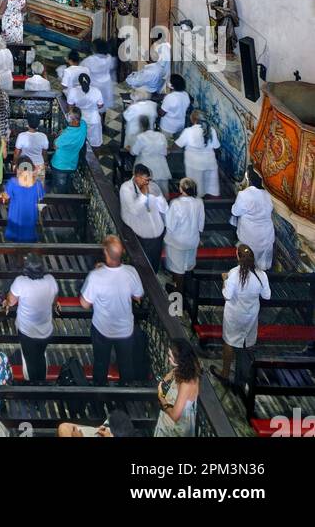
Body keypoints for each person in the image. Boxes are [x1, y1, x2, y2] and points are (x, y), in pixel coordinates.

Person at [79, 235, 144, 385]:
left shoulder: (96, 276)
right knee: (126, 363)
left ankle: (100, 392)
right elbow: (138, 296)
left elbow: (85, 303)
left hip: (102, 329)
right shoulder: (131, 272)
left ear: (106, 253)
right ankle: (126, 392)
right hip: (125, 330)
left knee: (101, 363)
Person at [220, 244, 271, 382]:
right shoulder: (261, 275)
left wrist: (224, 280)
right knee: (248, 343)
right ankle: (245, 374)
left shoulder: (233, 274)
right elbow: (267, 296)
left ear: (237, 256)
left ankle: (225, 373)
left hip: (234, 316)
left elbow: (227, 296)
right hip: (251, 316)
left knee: (229, 342)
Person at [5, 252, 58, 383]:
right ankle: (42, 379)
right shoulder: (50, 280)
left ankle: (32, 387)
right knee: (40, 355)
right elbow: (54, 298)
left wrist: (6, 301)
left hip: (27, 331)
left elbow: (11, 301)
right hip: (45, 330)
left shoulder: (21, 282)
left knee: (28, 359)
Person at [119, 163, 167, 271]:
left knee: (154, 266)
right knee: (142, 268)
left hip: (158, 235)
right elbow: (134, 210)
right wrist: (143, 196)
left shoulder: (153, 186)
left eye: (149, 179)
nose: (148, 182)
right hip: (139, 237)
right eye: (145, 180)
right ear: (136, 177)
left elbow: (164, 209)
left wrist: (158, 198)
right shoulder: (126, 188)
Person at [164, 178, 205, 290]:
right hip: (192, 240)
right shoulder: (199, 202)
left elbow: (170, 225)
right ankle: (187, 289)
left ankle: (179, 293)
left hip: (178, 242)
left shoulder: (176, 203)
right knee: (187, 266)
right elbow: (201, 223)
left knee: (178, 269)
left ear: (181, 189)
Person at [154, 338, 200, 438]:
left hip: (177, 429)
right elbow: (167, 378)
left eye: (171, 357)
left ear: (180, 360)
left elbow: (175, 415)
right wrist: (163, 382)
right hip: (169, 422)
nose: (169, 359)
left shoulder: (186, 384)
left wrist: (161, 397)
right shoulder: (184, 369)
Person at [231, 167, 275, 271]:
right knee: (262, 266)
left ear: (248, 178)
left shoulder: (244, 195)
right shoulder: (269, 194)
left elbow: (235, 212)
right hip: (266, 234)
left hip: (249, 235)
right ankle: (261, 280)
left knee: (247, 262)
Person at [175, 111, 221, 197]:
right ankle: (209, 204)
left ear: (194, 120)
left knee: (196, 187)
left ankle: (197, 201)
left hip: (194, 165)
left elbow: (178, 144)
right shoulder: (211, 130)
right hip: (210, 163)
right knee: (209, 187)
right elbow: (216, 146)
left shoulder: (188, 131)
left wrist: (169, 149)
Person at [1, 160, 44, 243]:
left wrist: (1, 195)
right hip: (30, 215)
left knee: (15, 236)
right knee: (29, 234)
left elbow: (6, 195)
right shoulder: (38, 185)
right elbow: (41, 196)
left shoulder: (13, 183)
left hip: (16, 216)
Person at [129, 116, 171, 194]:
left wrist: (129, 148)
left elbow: (134, 152)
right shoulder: (161, 136)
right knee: (162, 195)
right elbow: (165, 152)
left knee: (146, 195)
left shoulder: (140, 137)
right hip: (161, 169)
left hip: (146, 170)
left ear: (140, 126)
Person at [50, 108, 87, 191]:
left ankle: (59, 202)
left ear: (74, 120)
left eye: (69, 116)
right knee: (68, 185)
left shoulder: (67, 136)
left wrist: (58, 136)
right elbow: (81, 123)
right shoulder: (83, 126)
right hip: (72, 163)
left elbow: (55, 145)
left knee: (59, 188)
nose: (67, 117)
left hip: (60, 165)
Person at [66, 72, 105, 149]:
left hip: (79, 119)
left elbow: (70, 106)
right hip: (94, 120)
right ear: (90, 81)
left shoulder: (73, 91)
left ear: (79, 82)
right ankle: (95, 160)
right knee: (95, 145)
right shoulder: (96, 91)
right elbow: (100, 105)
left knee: (79, 144)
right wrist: (92, 107)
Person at [79, 38, 115, 111]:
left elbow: (81, 70)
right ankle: (102, 121)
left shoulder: (90, 60)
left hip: (94, 85)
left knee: (92, 107)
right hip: (106, 85)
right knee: (103, 106)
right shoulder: (109, 57)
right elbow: (111, 67)